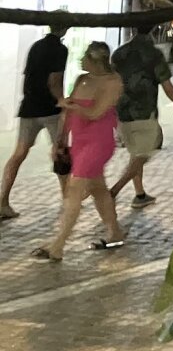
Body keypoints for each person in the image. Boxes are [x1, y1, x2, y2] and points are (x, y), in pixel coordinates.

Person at [30, 42, 125, 260]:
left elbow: (96, 112)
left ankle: (58, 245)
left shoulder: (113, 82)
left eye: (85, 57)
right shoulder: (82, 79)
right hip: (79, 142)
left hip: (98, 143)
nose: (82, 60)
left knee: (75, 188)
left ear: (96, 60)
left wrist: (73, 105)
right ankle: (115, 232)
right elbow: (66, 112)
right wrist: (60, 140)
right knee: (99, 188)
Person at [109, 30, 173, 208]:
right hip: (144, 111)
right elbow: (166, 83)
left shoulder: (119, 53)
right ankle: (114, 190)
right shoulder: (154, 54)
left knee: (135, 153)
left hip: (122, 111)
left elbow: (112, 81)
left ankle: (140, 194)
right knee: (145, 152)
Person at [0, 27, 69, 219]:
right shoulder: (60, 50)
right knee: (61, 152)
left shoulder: (36, 46)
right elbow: (54, 80)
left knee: (19, 154)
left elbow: (27, 77)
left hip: (29, 107)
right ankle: (68, 201)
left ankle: (3, 201)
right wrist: (62, 101)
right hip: (50, 109)